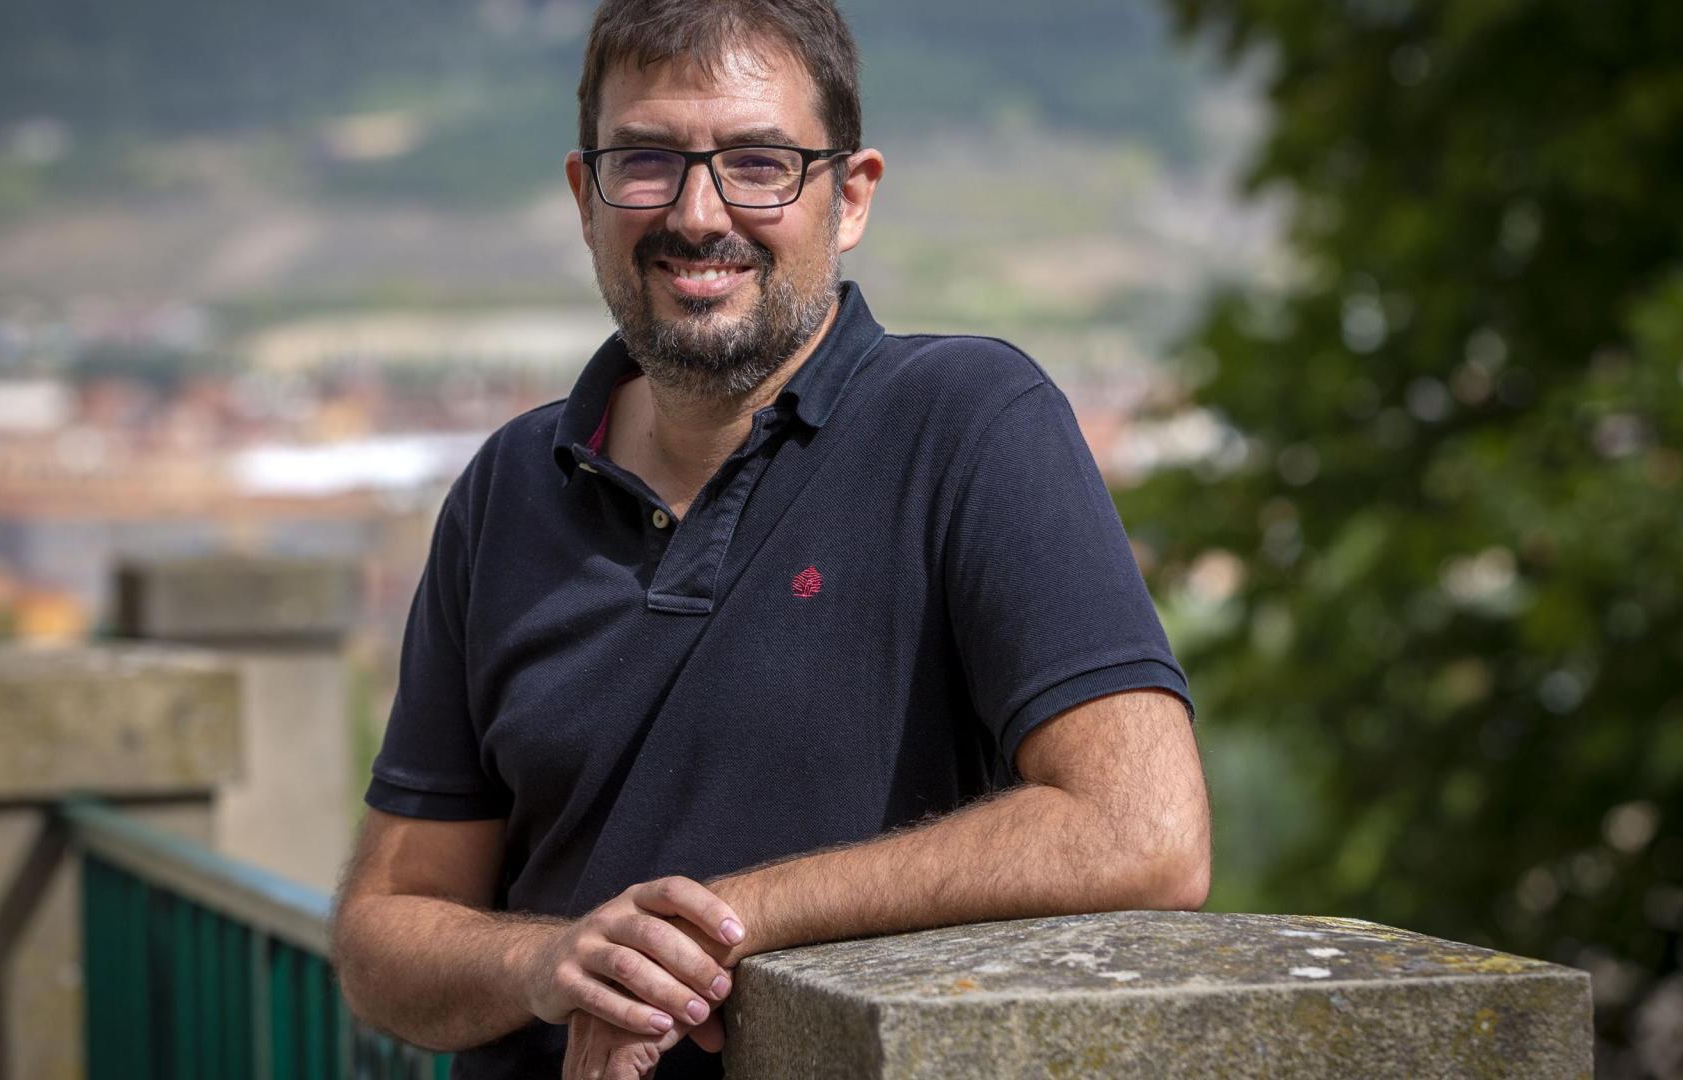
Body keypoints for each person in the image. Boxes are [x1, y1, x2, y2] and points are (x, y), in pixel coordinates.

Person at [331, 2, 1211, 1077]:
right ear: (584, 194)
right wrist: (549, 960)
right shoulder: (506, 488)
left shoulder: (970, 423)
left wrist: (716, 924)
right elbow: (383, 934)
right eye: (646, 161)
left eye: (759, 163)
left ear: (851, 197)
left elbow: (1143, 828)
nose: (699, 213)